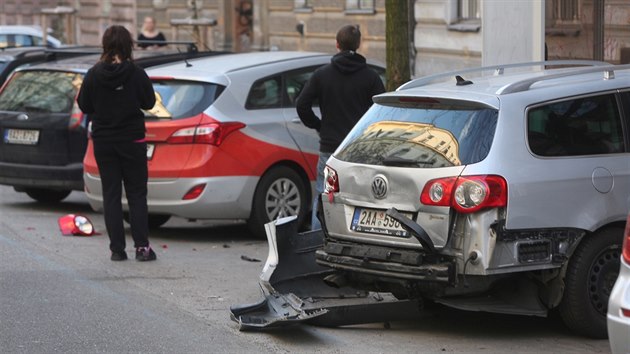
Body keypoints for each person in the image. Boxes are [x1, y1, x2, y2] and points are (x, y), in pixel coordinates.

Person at [78, 25, 157, 262]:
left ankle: (117, 250)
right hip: (132, 140)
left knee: (111, 194)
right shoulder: (136, 73)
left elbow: (84, 105)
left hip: (104, 141)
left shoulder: (93, 74)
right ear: (128, 45)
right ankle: (142, 248)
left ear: (105, 45)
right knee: (136, 194)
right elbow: (149, 102)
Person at [296, 24, 385, 230]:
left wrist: (319, 125)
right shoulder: (370, 77)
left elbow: (302, 105)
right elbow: (381, 112)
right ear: (359, 44)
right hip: (360, 150)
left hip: (330, 148)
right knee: (360, 199)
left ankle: (317, 243)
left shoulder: (322, 75)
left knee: (324, 195)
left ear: (337, 44)